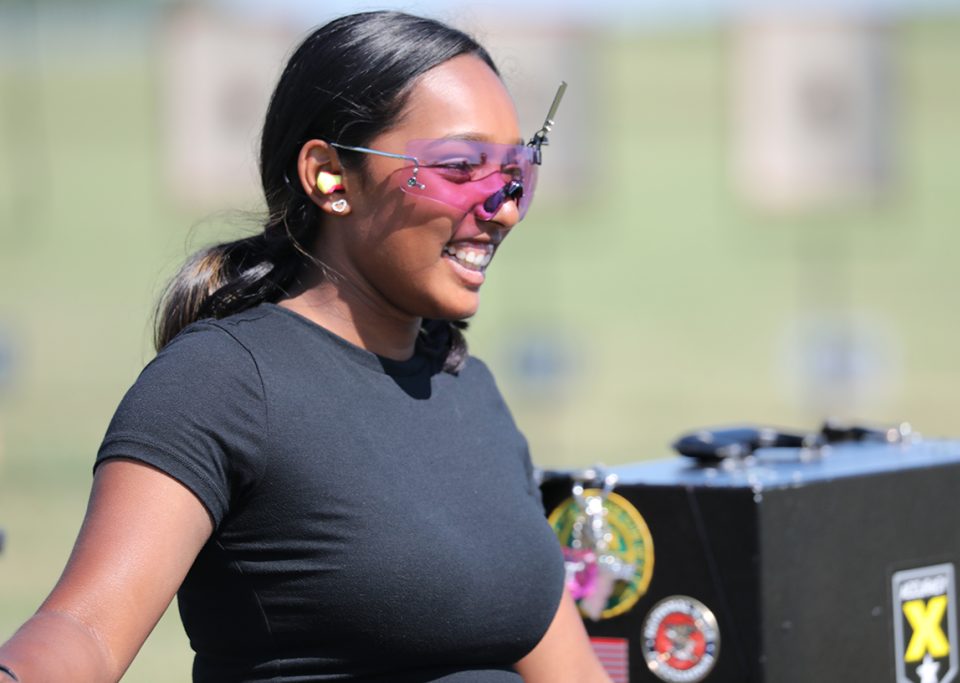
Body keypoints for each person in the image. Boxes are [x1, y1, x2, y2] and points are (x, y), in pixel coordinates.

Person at [0, 11, 610, 683]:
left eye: (517, 168)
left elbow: (572, 672)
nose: (505, 205)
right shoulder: (224, 382)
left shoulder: (470, 386)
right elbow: (81, 628)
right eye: (461, 167)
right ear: (328, 176)